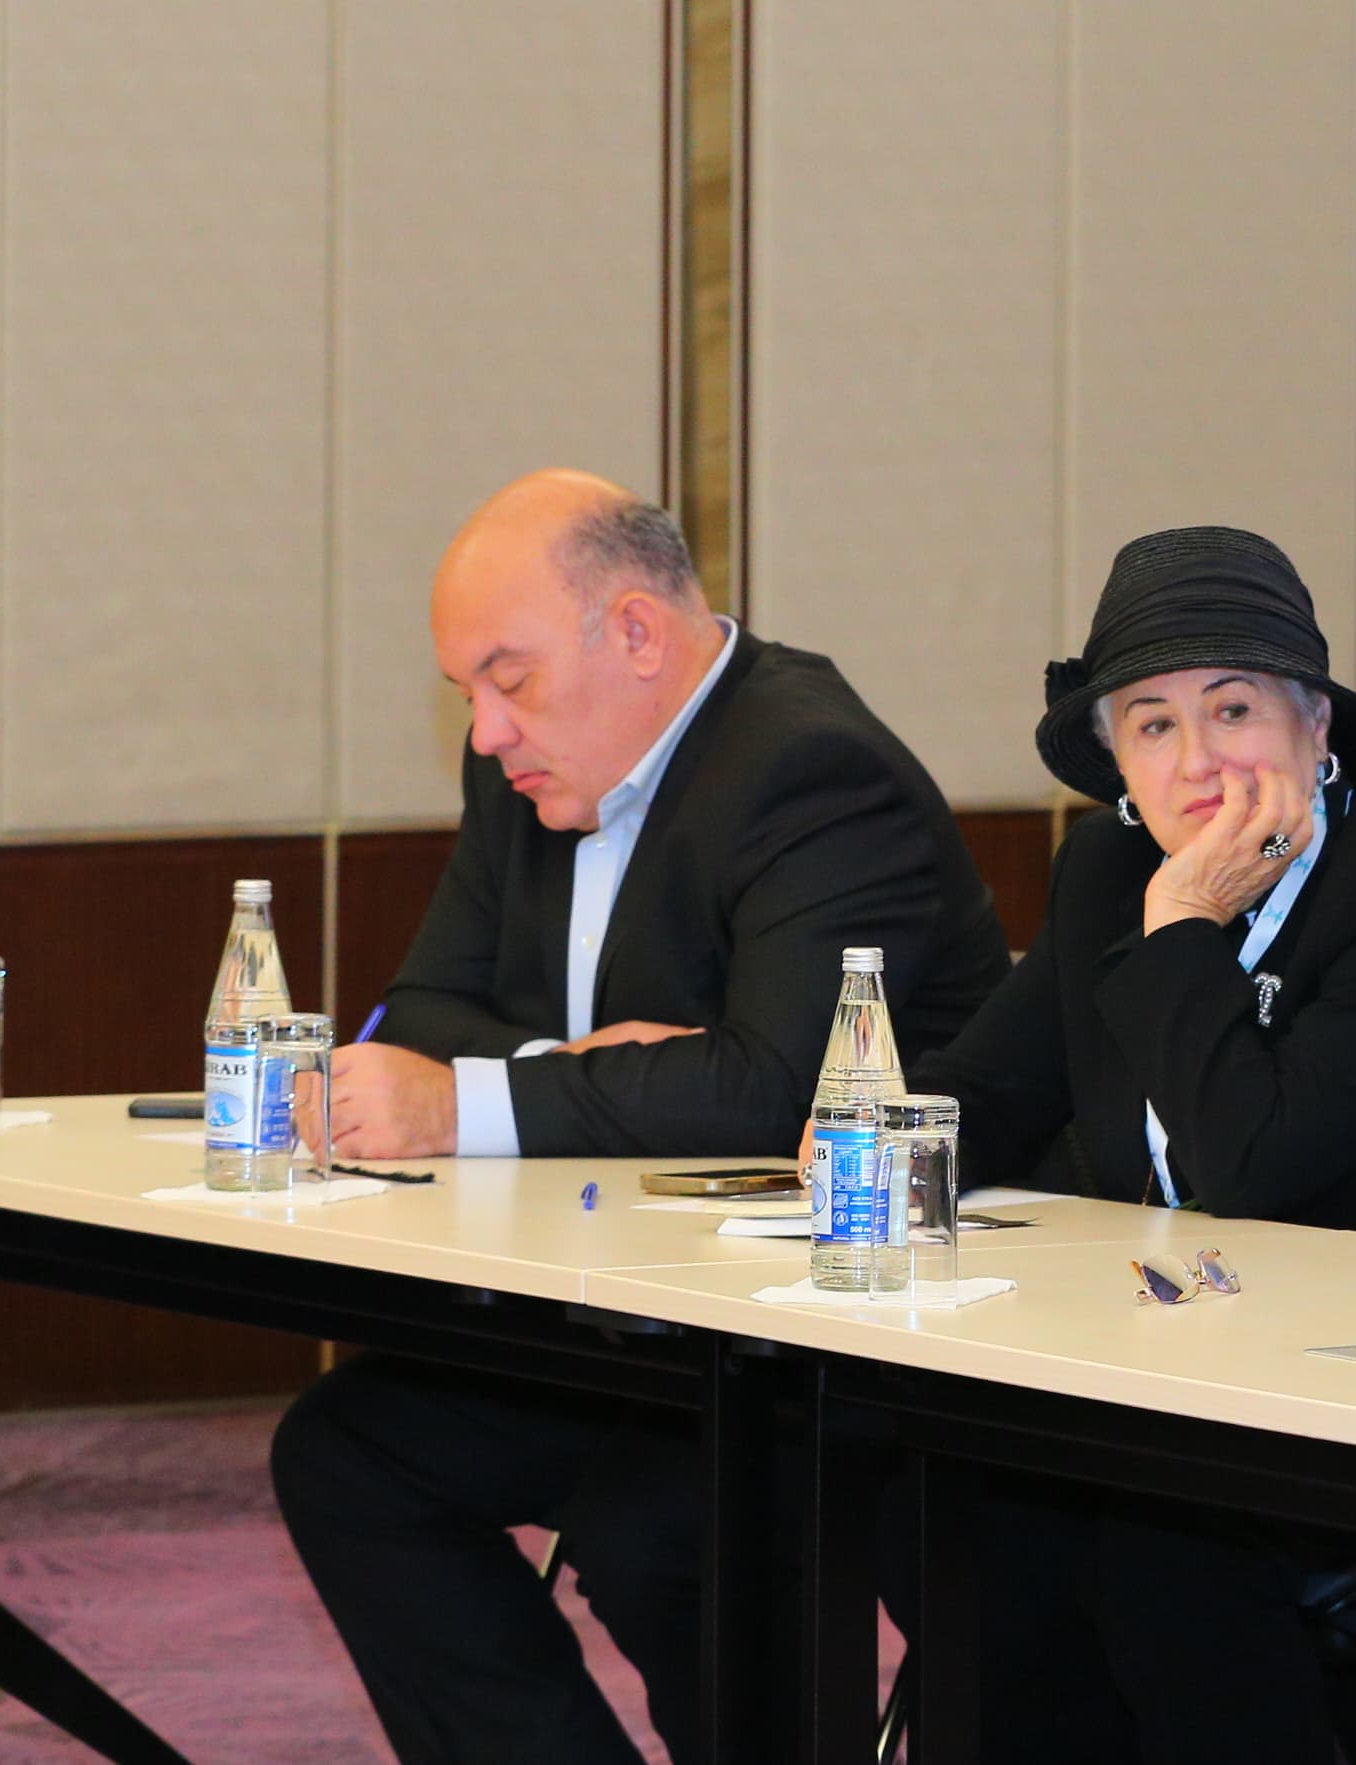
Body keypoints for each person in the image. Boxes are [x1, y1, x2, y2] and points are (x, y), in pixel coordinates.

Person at [271, 471, 1009, 1765]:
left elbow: (780, 1094)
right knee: (350, 1452)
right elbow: (421, 1011)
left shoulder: (811, 770)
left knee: (654, 1527)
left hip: (835, 1348)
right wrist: (577, 1069)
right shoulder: (529, 772)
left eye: (509, 679)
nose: (487, 732)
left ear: (635, 634)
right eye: (466, 693)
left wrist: (471, 1099)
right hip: (638, 1323)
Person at [893, 524, 1356, 1759]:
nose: (1195, 759)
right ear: (1117, 760)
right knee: (944, 1507)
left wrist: (1185, 923)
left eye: (1231, 708)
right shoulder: (1106, 871)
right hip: (1223, 1373)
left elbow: (1253, 1164)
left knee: (1159, 1546)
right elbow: (988, 1092)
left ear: (1314, 725)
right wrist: (865, 1132)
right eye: (1153, 723)